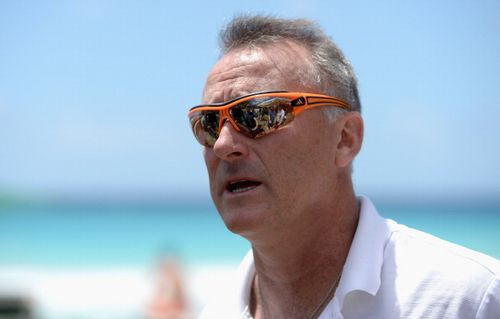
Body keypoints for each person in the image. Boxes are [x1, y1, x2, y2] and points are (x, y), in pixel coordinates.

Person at [187, 15, 500, 319]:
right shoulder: (218, 311)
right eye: (209, 123)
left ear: (345, 140)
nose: (223, 145)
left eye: (258, 115)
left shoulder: (468, 299)